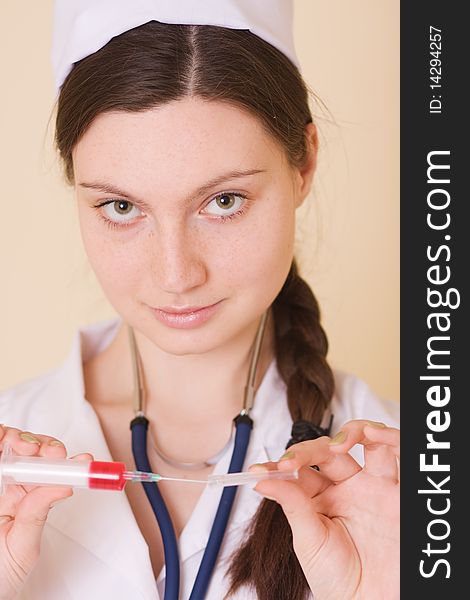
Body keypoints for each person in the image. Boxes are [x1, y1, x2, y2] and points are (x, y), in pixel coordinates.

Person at [0, 1, 399, 599]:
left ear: (304, 163)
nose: (176, 273)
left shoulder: (404, 483)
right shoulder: (17, 454)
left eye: (224, 202)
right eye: (121, 207)